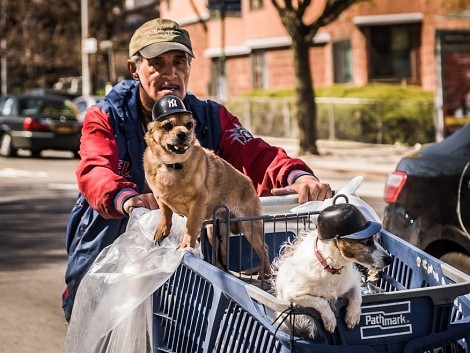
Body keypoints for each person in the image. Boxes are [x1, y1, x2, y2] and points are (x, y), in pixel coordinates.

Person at [62, 18, 332, 322]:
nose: (170, 73)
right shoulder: (108, 114)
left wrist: (297, 177)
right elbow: (95, 167)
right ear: (134, 69)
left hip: (184, 257)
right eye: (157, 63)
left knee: (178, 328)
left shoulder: (207, 115)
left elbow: (254, 152)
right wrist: (126, 198)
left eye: (179, 61)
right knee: (98, 326)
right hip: (109, 244)